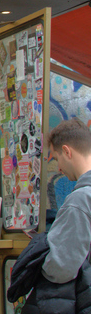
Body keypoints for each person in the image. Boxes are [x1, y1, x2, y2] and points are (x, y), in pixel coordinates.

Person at [42, 117, 91, 284]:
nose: (59, 168)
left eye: (57, 159)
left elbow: (61, 268)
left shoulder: (80, 201)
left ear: (67, 151)